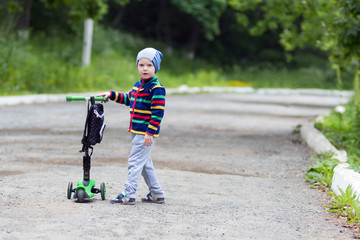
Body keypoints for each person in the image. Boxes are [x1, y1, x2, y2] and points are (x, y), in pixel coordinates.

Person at [98, 47, 166, 205]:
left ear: (155, 67)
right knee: (144, 164)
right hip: (137, 132)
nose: (145, 68)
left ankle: (128, 194)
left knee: (135, 162)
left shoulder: (156, 89)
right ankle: (157, 193)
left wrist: (150, 132)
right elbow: (129, 99)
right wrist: (112, 94)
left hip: (145, 134)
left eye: (149, 65)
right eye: (141, 65)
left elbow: (158, 113)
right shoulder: (138, 85)